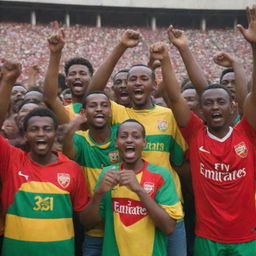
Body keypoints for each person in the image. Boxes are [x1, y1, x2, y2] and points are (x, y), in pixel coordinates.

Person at [150, 5, 256, 254]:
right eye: (208, 103)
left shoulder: (246, 132)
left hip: (246, 236)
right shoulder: (195, 133)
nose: (215, 107)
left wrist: (254, 46)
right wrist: (170, 56)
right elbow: (175, 99)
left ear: (234, 107)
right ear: (201, 109)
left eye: (221, 102)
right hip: (207, 237)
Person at [87, 30, 188, 256]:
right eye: (132, 79)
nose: (138, 83)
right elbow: (93, 92)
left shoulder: (167, 116)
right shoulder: (118, 113)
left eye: (144, 78)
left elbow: (179, 161)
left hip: (165, 207)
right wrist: (120, 47)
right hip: (127, 203)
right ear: (126, 86)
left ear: (154, 84)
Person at [0, 61, 89, 256]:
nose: (41, 134)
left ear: (55, 133)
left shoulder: (72, 168)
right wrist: (7, 81)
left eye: (47, 129)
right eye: (34, 129)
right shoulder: (12, 161)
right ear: (25, 134)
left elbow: (83, 217)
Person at [80, 119, 183, 256]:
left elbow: (169, 228)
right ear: (116, 143)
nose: (129, 140)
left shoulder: (161, 175)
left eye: (136, 136)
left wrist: (139, 190)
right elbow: (87, 222)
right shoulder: (108, 174)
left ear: (144, 143)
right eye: (123, 136)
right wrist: (98, 193)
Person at [63, 91, 120, 256]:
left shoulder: (122, 134)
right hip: (93, 231)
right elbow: (68, 153)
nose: (99, 109)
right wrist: (74, 125)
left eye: (104, 105)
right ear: (83, 112)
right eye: (93, 106)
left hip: (123, 227)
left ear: (110, 111)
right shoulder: (80, 139)